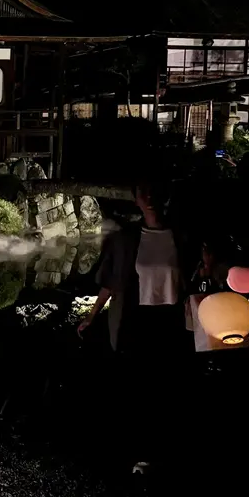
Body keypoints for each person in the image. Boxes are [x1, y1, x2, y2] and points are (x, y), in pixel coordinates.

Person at [78, 180, 193, 474]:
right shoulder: (126, 238)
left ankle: (167, 448)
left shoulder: (180, 236)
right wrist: (92, 316)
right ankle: (136, 450)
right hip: (136, 318)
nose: (151, 198)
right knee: (136, 384)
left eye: (155, 192)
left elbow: (190, 282)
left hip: (168, 319)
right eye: (145, 193)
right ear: (136, 199)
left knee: (166, 385)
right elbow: (110, 282)